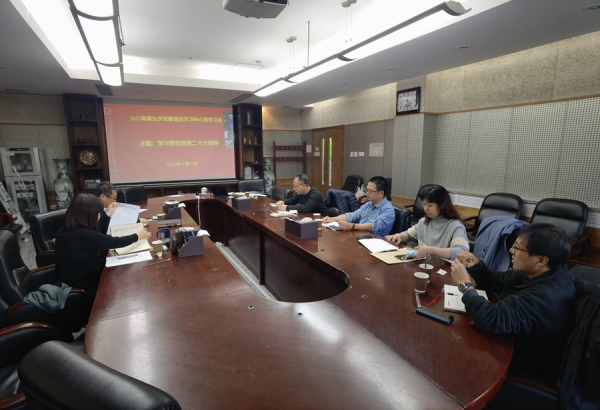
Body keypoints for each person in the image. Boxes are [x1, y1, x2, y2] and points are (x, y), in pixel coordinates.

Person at [450, 223, 576, 385]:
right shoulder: (538, 273)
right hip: (509, 340)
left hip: (523, 365)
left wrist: (464, 285)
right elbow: (495, 280)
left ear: (541, 260)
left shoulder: (546, 295)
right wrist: (476, 264)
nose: (511, 250)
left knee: (455, 350)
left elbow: (490, 319)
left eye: (517, 247)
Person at [55, 194, 151, 295]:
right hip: (82, 284)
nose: (99, 216)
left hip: (76, 275)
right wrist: (136, 236)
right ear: (88, 215)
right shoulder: (83, 234)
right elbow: (112, 242)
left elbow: (98, 229)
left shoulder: (67, 229)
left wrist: (108, 214)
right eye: (98, 214)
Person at [385, 185, 468, 260]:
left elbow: (462, 251)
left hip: (446, 268)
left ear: (442, 205)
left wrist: (431, 251)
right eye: (424, 204)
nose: (425, 208)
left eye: (430, 205)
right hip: (426, 265)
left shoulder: (455, 226)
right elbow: (409, 234)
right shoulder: (424, 221)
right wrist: (398, 236)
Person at [322, 176, 395, 237]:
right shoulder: (368, 204)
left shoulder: (388, 209)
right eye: (367, 190)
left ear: (381, 193)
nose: (367, 193)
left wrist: (352, 226)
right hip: (360, 236)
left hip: (375, 241)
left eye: (370, 191)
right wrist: (333, 219)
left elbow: (375, 226)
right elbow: (353, 215)